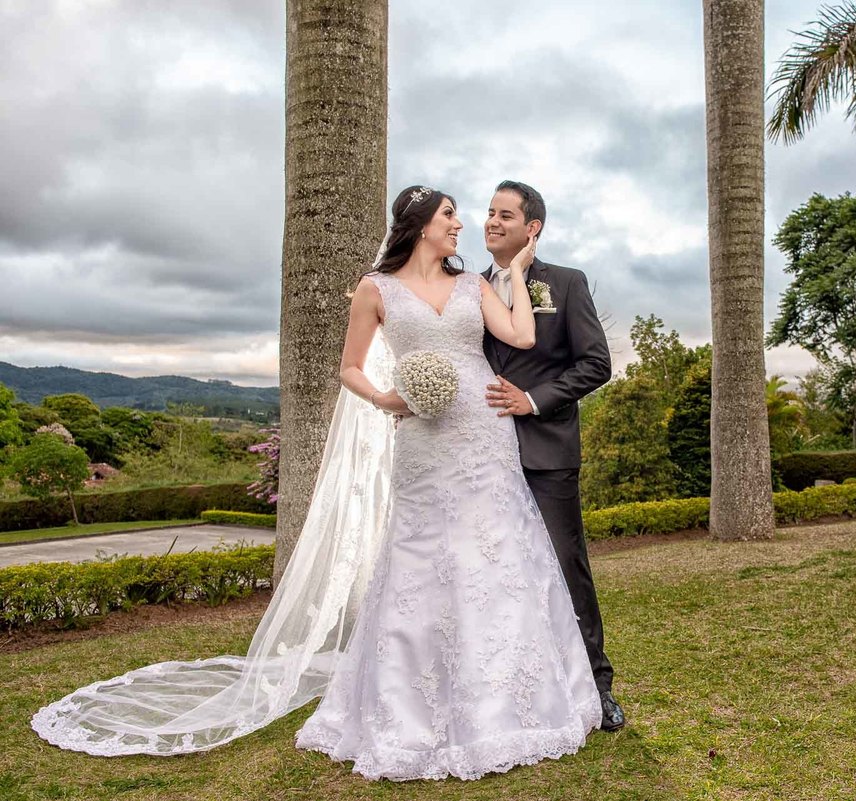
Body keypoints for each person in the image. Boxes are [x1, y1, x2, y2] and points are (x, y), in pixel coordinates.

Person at [31, 186, 602, 782]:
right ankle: (408, 708)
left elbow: (522, 338)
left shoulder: (473, 285)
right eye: (450, 216)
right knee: (419, 557)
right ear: (420, 225)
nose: (463, 225)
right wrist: (385, 396)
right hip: (422, 440)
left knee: (497, 557)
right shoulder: (374, 289)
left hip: (484, 432)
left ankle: (512, 703)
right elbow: (349, 367)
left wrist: (511, 272)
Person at [481, 180, 625, 731]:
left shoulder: (564, 283)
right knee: (493, 573)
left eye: (506, 214)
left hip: (545, 451)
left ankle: (597, 688)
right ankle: (509, 694)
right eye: (489, 212)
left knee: (566, 568)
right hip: (477, 454)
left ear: (532, 227)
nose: (492, 222)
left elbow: (594, 364)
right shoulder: (467, 286)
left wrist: (533, 401)